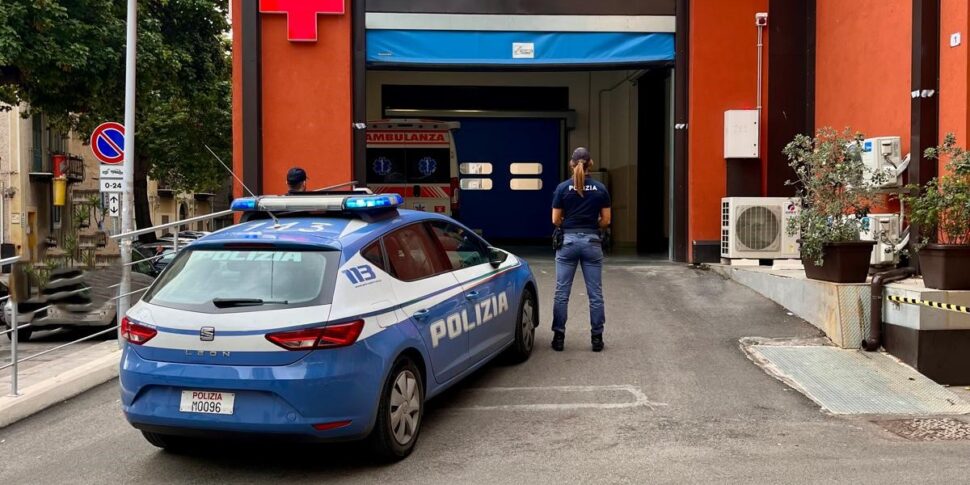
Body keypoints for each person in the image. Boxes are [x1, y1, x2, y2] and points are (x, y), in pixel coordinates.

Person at [550, 147, 612, 352]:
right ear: (590, 164)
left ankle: (559, 338)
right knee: (595, 294)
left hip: (567, 242)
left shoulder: (562, 189)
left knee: (561, 293)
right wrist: (592, 224)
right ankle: (597, 339)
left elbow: (555, 220)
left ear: (571, 164)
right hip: (592, 243)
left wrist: (570, 224)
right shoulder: (601, 189)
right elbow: (606, 221)